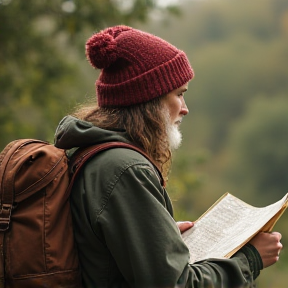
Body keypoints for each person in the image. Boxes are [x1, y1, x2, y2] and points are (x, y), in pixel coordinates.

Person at [54, 25, 283, 288]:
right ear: (148, 98)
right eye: (179, 94)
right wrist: (250, 259)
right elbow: (176, 284)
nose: (185, 109)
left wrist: (161, 236)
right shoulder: (125, 170)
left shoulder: (95, 155)